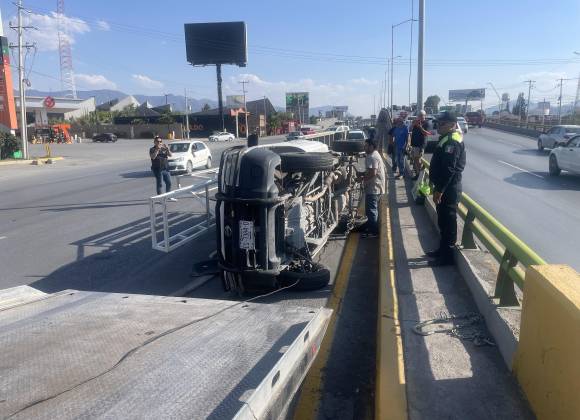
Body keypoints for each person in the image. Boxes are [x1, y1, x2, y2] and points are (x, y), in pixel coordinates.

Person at [427, 112, 466, 266]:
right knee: (443, 222)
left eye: (442, 123)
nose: (438, 126)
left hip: (449, 189)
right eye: (438, 123)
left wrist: (440, 190)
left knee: (448, 223)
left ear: (452, 124)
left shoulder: (452, 141)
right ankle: (441, 251)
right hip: (444, 188)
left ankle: (447, 258)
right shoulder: (446, 138)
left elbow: (449, 169)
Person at [357, 137, 386, 238]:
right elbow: (371, 171)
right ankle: (371, 228)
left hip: (374, 188)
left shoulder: (372, 156)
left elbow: (373, 173)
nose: (364, 147)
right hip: (376, 187)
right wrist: (362, 174)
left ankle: (373, 232)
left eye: (366, 146)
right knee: (371, 210)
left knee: (371, 210)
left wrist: (362, 179)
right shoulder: (375, 154)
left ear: (371, 146)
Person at [149, 136, 176, 200]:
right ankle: (160, 198)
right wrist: (157, 149)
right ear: (155, 142)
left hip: (166, 168)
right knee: (160, 184)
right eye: (157, 141)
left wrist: (167, 149)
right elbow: (153, 157)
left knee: (169, 183)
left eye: (160, 141)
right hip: (157, 169)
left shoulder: (164, 148)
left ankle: (168, 196)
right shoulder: (152, 149)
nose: (159, 143)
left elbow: (170, 155)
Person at [410, 110, 431, 179]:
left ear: (425, 116)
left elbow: (426, 133)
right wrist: (413, 124)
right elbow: (410, 129)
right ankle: (418, 174)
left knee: (418, 160)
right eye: (419, 115)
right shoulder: (416, 122)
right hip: (414, 144)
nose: (420, 117)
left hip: (420, 144)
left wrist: (419, 126)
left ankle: (420, 175)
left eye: (421, 115)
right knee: (415, 159)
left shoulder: (426, 123)